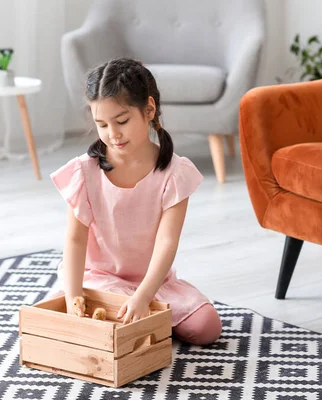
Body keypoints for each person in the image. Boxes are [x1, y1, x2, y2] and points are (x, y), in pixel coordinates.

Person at [50, 57, 221, 345]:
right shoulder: (83, 172)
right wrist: (74, 295)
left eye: (122, 121)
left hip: (153, 284)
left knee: (207, 327)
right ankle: (145, 324)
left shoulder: (174, 173)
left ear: (149, 109)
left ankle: (144, 319)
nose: (112, 134)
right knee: (57, 318)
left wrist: (143, 296)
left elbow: (167, 243)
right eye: (101, 124)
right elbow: (75, 240)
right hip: (99, 280)